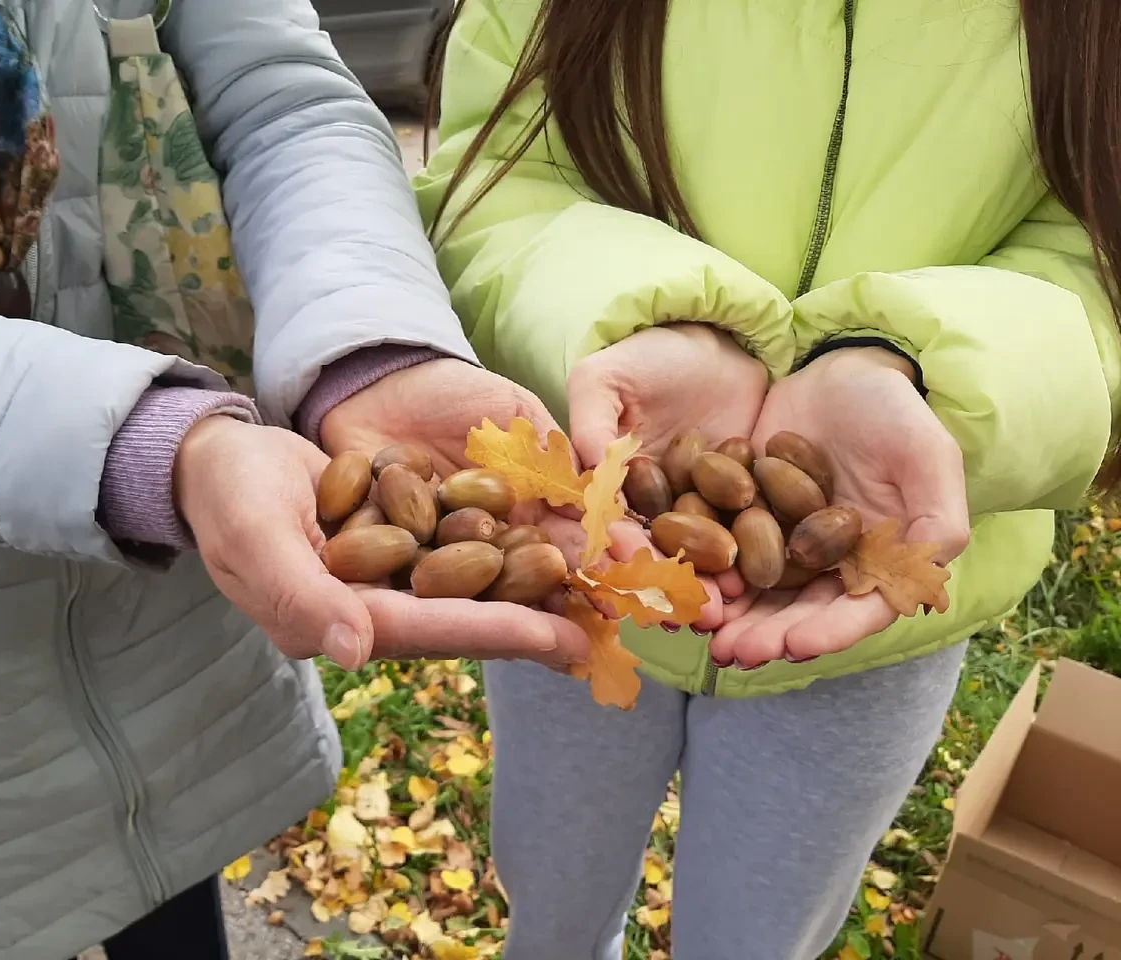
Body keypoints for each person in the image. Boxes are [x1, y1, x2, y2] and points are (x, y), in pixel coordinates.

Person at [0, 1, 589, 959]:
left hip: (165, 633)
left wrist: (366, 348)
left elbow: (280, 100)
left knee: (174, 904)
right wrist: (143, 445)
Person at [415, 0, 1121, 957]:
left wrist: (913, 371)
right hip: (590, 566)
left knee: (758, 940)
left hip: (869, 624)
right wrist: (634, 322)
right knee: (550, 905)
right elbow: (492, 180)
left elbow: (1098, 263)